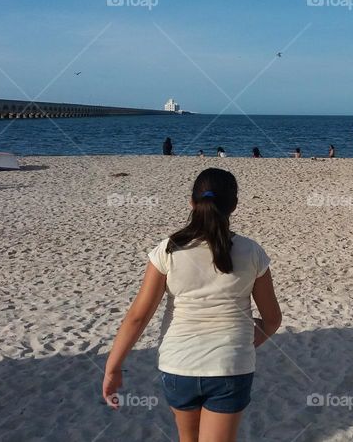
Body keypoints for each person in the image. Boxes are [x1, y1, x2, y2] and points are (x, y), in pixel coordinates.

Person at [103, 168, 281, 441]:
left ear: (191, 202)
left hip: (178, 366)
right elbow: (272, 319)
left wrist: (113, 368)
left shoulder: (169, 249)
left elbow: (138, 317)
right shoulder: (251, 251)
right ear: (234, 206)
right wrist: (249, 339)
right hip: (230, 367)